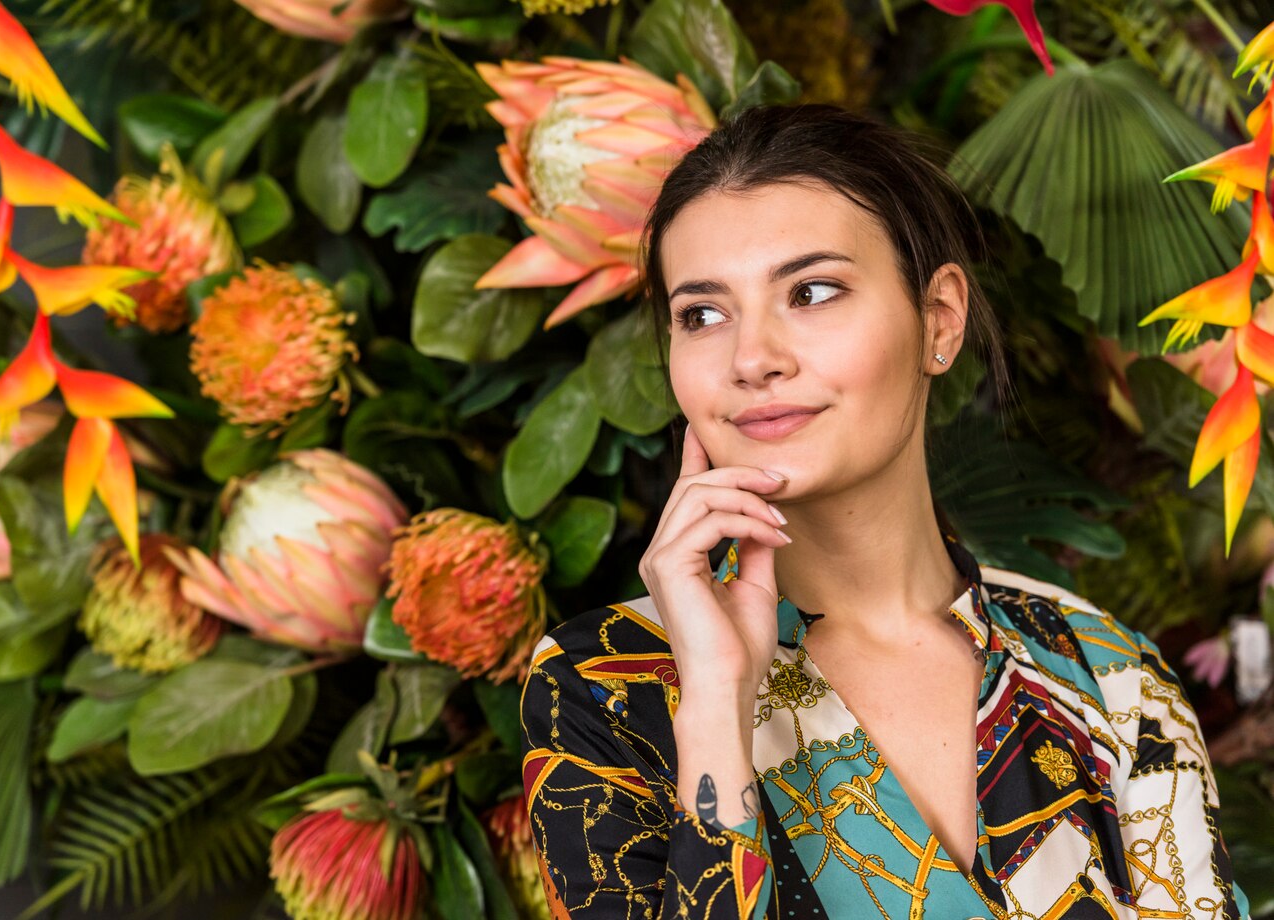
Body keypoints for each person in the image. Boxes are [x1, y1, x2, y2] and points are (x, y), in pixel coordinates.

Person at [518, 103, 1253, 919]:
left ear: (939, 321)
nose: (752, 357)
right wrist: (718, 704)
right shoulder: (604, 684)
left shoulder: (1111, 677)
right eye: (702, 314)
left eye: (813, 291)